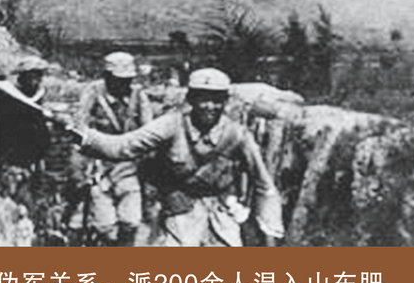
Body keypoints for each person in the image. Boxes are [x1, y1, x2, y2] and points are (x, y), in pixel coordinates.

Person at [72, 68, 284, 247]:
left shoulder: (236, 134)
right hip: (179, 214)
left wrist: (269, 229)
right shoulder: (171, 124)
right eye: (203, 99)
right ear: (191, 99)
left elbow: (264, 184)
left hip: (222, 215)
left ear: (225, 102)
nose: (210, 107)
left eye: (217, 100)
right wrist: (84, 136)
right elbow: (123, 147)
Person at [67, 51, 153, 246]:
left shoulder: (138, 96)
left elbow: (149, 131)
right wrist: (79, 169)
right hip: (99, 167)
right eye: (119, 80)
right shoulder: (93, 92)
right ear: (107, 77)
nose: (124, 85)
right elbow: (79, 128)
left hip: (129, 166)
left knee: (131, 221)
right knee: (105, 225)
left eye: (127, 80)